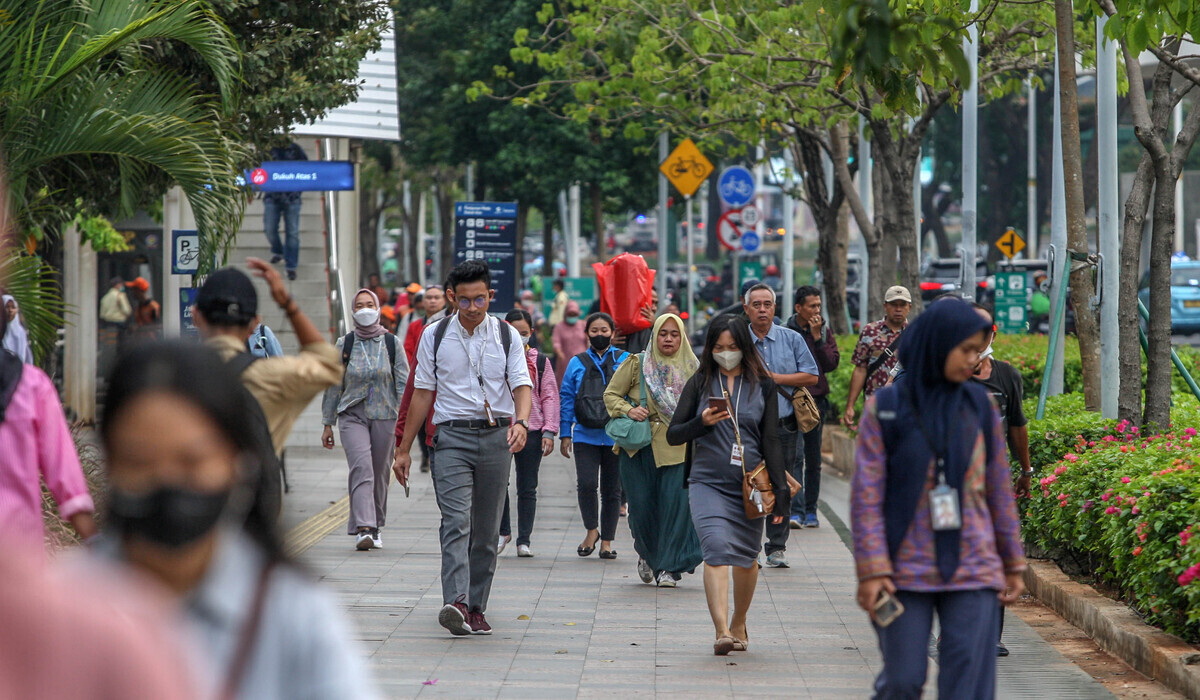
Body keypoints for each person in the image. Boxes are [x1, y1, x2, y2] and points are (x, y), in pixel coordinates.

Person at [97, 342, 378, 698]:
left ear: (239, 463)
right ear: (109, 463)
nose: (167, 482)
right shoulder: (60, 606)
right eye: (139, 462)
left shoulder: (294, 612)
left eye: (193, 461)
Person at [851, 297, 1026, 699]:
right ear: (937, 344)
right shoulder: (887, 408)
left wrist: (1012, 562)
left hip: (973, 565)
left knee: (967, 684)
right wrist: (872, 569)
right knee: (903, 679)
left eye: (978, 350)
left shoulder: (978, 406)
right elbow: (866, 498)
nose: (974, 359)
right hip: (901, 570)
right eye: (965, 349)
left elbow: (998, 489)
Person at [393, 260, 533, 637]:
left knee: (486, 531)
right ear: (452, 297)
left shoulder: (506, 335)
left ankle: (475, 607)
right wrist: (403, 449)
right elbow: (422, 393)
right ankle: (455, 601)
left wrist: (521, 422)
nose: (473, 308)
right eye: (465, 301)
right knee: (455, 522)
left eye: (480, 300)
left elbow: (522, 384)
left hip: (496, 438)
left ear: (490, 296)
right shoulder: (435, 335)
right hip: (450, 438)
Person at [666, 316, 788, 655]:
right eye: (719, 347)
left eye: (732, 347)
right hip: (707, 482)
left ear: (744, 348)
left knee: (747, 558)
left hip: (749, 486)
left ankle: (739, 621)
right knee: (716, 549)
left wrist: (781, 493)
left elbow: (772, 440)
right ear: (710, 349)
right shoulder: (701, 381)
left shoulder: (763, 385)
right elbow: (674, 434)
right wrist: (701, 423)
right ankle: (721, 631)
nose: (726, 353)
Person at [192, 261, 343, 506]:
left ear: (196, 317)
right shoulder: (273, 378)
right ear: (254, 324)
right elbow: (328, 364)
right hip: (251, 519)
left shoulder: (169, 377)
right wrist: (287, 304)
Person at [604, 313, 703, 588]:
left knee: (676, 508)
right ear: (655, 335)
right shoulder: (638, 363)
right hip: (639, 448)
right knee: (642, 509)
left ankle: (669, 567)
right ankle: (648, 554)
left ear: (682, 337)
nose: (668, 339)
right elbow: (610, 394)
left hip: (678, 448)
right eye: (663, 333)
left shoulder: (694, 369)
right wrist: (628, 409)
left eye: (674, 334)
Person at [0, 303, 97, 552]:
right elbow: (64, 472)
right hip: (20, 552)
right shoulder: (32, 385)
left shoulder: (34, 386)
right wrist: (94, 542)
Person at [969, 302, 1034, 657]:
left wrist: (1025, 471)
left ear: (992, 334)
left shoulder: (1007, 375)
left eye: (984, 330)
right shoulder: (943, 375)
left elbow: (1017, 426)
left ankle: (992, 634)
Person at [322, 290, 409, 551]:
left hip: (385, 414)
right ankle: (364, 527)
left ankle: (376, 524)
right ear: (352, 311)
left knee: (380, 472)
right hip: (352, 414)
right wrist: (327, 423)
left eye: (370, 304)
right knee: (362, 468)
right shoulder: (345, 343)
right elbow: (333, 385)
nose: (365, 309)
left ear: (379, 308)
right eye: (359, 305)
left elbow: (403, 384)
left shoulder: (392, 343)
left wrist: (405, 425)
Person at [743, 283, 819, 568]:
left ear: (775, 308)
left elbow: (811, 376)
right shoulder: (737, 340)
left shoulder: (792, 338)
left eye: (767, 304)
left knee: (782, 486)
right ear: (746, 308)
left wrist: (776, 378)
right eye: (756, 305)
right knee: (748, 483)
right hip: (748, 427)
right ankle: (749, 546)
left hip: (784, 425)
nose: (762, 310)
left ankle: (776, 546)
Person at [559, 312, 628, 560]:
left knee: (612, 490)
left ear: (613, 333)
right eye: (594, 331)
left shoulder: (625, 360)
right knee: (587, 484)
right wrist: (565, 433)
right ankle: (592, 531)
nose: (600, 335)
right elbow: (566, 397)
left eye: (604, 330)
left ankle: (607, 541)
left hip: (616, 436)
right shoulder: (576, 362)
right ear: (587, 333)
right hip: (584, 435)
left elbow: (633, 394)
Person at [497, 309, 559, 558]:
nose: (519, 337)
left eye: (523, 333)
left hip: (531, 429)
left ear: (531, 333)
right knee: (498, 483)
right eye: (513, 332)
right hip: (501, 428)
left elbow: (550, 396)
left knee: (527, 486)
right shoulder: (494, 356)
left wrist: (549, 431)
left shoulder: (540, 361)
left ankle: (524, 539)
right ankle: (503, 531)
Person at [785, 285, 841, 528]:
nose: (817, 310)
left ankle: (811, 510)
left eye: (819, 305)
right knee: (795, 456)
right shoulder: (786, 332)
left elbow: (830, 365)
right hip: (792, 400)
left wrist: (818, 339)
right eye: (812, 306)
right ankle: (796, 511)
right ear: (799, 308)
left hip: (816, 403)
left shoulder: (824, 331)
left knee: (813, 458)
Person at [842, 285, 912, 429]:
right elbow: (860, 369)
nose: (898, 309)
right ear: (885, 306)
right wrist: (850, 406)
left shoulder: (915, 333)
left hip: (904, 405)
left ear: (909, 307)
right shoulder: (870, 331)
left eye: (902, 305)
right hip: (874, 404)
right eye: (894, 304)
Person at [262, 141, 308, 281]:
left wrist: (299, 188)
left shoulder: (296, 150)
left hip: (292, 197)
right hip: (272, 196)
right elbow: (257, 169)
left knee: (292, 232)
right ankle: (278, 250)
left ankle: (291, 266)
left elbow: (308, 169)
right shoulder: (268, 149)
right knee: (269, 229)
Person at [404, 284, 445, 368]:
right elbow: (408, 352)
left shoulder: (450, 324)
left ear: (444, 301)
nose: (432, 301)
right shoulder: (414, 325)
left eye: (437, 298)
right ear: (423, 301)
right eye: (429, 298)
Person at [552, 300, 587, 383]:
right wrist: (559, 353)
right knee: (566, 383)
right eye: (570, 314)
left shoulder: (583, 325)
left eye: (574, 314)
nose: (572, 316)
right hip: (565, 361)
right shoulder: (559, 327)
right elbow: (556, 342)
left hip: (582, 360)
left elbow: (589, 340)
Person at [2, 294, 33, 363]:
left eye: (13, 307)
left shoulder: (20, 332)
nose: (10, 310)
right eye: (7, 307)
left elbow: (25, 356)